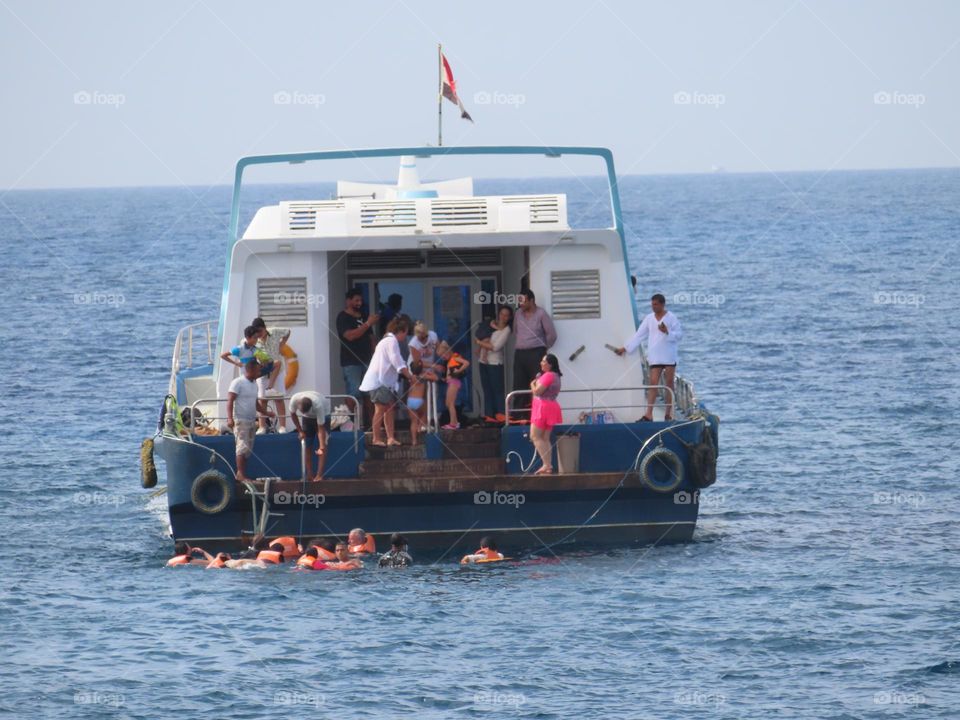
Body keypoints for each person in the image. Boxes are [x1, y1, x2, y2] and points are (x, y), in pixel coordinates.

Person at [615, 293, 684, 421]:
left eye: (656, 304)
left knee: (669, 384)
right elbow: (639, 335)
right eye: (652, 304)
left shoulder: (671, 318)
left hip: (669, 356)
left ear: (662, 304)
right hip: (655, 356)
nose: (653, 307)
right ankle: (649, 414)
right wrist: (625, 348)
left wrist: (667, 332)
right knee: (653, 383)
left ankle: (668, 413)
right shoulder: (649, 318)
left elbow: (679, 335)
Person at [359, 317, 415, 446]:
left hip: (385, 382)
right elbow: (397, 362)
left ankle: (390, 438)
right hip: (379, 382)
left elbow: (398, 361)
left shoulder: (387, 341)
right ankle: (376, 438)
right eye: (405, 333)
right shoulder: (391, 342)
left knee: (389, 408)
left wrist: (407, 373)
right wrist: (410, 376)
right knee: (380, 409)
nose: (405, 337)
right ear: (401, 331)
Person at [227, 360, 274, 482]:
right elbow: (230, 400)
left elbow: (256, 403)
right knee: (242, 447)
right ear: (251, 369)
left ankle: (241, 473)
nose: (259, 372)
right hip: (241, 420)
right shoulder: (238, 382)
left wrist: (266, 413)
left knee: (247, 449)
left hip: (251, 420)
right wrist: (229, 418)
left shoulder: (254, 384)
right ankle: (241, 474)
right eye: (258, 370)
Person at [512, 289, 557, 415]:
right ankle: (518, 415)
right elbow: (515, 331)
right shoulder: (518, 313)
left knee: (537, 383)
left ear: (531, 300)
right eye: (519, 301)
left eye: (523, 301)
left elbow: (552, 335)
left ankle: (538, 412)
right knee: (518, 383)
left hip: (536, 352)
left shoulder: (541, 314)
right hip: (520, 353)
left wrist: (544, 348)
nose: (521, 304)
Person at [336, 288, 378, 420]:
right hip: (351, 362)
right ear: (348, 301)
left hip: (367, 361)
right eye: (356, 300)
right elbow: (350, 336)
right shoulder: (342, 317)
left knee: (369, 393)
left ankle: (372, 424)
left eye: (361, 300)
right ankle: (350, 424)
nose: (359, 303)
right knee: (354, 392)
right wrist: (368, 323)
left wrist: (375, 357)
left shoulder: (364, 315)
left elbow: (371, 337)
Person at [251, 317, 290, 432]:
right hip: (263, 373)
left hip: (278, 372)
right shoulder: (254, 340)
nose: (259, 334)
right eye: (256, 332)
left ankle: (282, 426)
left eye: (260, 331)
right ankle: (262, 426)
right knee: (262, 400)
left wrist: (282, 344)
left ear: (265, 328)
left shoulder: (274, 332)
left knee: (278, 398)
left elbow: (288, 331)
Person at [476, 306, 513, 421]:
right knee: (486, 389)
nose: (503, 317)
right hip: (483, 362)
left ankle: (500, 413)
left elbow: (495, 347)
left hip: (495, 363)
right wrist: (480, 344)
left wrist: (478, 342)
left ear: (510, 317)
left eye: (506, 315)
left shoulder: (506, 330)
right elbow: (481, 335)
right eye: (502, 314)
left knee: (497, 390)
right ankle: (489, 415)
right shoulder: (490, 325)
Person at [529, 354, 563, 475]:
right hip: (551, 406)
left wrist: (532, 384)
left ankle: (546, 464)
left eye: (544, 361)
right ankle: (548, 465)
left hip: (543, 407)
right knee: (545, 437)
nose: (541, 363)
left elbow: (538, 391)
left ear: (550, 364)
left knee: (535, 436)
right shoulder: (556, 376)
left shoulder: (548, 375)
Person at [289, 391, 331, 481]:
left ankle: (319, 475)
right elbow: (293, 414)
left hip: (325, 415)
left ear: (311, 407)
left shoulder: (318, 405)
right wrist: (300, 431)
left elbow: (321, 428)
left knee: (323, 445)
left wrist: (322, 446)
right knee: (307, 444)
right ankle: (309, 475)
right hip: (307, 419)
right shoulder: (294, 399)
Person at [438, 341, 470, 430]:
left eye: (443, 355)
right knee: (448, 403)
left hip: (454, 382)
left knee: (450, 403)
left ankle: (453, 423)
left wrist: (458, 371)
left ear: (447, 351)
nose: (442, 357)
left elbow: (466, 363)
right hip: (450, 381)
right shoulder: (450, 360)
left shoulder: (455, 358)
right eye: (441, 356)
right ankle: (455, 422)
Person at [405, 359, 438, 446]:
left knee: (413, 421)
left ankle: (414, 440)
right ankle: (421, 427)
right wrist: (428, 372)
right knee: (424, 413)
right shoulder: (423, 376)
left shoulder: (411, 378)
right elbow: (436, 378)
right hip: (419, 400)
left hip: (410, 401)